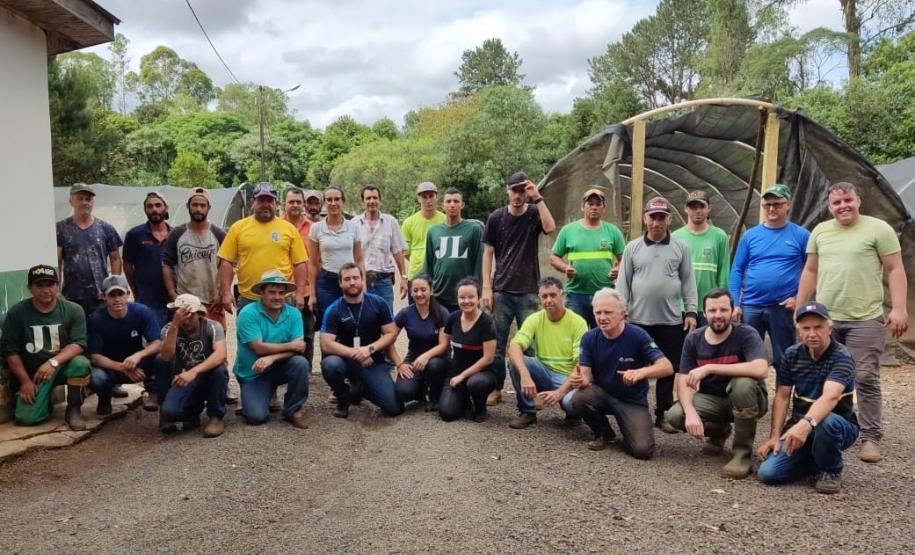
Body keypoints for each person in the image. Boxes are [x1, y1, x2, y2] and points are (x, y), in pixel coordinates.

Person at [797, 181, 908, 463]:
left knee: (865, 376)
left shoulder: (878, 229)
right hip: (826, 319)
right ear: (830, 206)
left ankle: (871, 436)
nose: (843, 206)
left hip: (865, 318)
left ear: (858, 201)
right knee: (823, 375)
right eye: (837, 203)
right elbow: (810, 270)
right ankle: (824, 424)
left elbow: (895, 269)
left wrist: (899, 308)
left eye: (848, 200)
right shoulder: (820, 232)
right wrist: (801, 307)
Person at [664, 289, 769, 479]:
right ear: (705, 313)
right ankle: (720, 431)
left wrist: (711, 367)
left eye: (723, 309)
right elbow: (684, 380)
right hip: (714, 400)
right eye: (712, 311)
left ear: (733, 311)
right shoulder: (694, 339)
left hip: (749, 400)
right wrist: (690, 413)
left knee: (743, 384)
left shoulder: (746, 333)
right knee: (675, 415)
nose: (718, 315)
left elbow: (761, 369)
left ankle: (742, 455)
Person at [757, 302, 859, 494]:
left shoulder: (843, 357)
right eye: (806, 328)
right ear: (799, 331)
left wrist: (805, 425)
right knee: (768, 474)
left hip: (838, 425)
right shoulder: (791, 354)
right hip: (799, 425)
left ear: (829, 328)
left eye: (818, 327)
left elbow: (831, 396)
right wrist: (774, 436)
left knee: (826, 422)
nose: (812, 333)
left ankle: (832, 470)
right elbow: (782, 396)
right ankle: (812, 460)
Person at [616, 196, 697, 433]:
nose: (657, 222)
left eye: (662, 217)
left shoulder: (681, 247)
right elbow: (623, 283)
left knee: (668, 369)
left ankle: (662, 414)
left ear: (669, 219)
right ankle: (633, 409)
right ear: (645, 218)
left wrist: (691, 311)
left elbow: (688, 282)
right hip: (638, 320)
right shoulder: (632, 248)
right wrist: (621, 313)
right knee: (634, 366)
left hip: (671, 320)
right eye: (653, 216)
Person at [570, 288, 673, 459]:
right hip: (602, 394)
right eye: (598, 312)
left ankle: (629, 427)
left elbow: (667, 366)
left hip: (631, 401)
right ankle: (604, 432)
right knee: (578, 399)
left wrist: (641, 372)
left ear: (623, 314)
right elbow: (586, 377)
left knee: (643, 451)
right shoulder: (589, 338)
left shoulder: (638, 335)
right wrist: (579, 380)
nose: (602, 318)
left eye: (608, 312)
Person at [482, 171, 556, 406]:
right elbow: (488, 254)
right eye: (514, 190)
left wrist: (538, 198)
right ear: (507, 190)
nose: (517, 195)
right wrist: (486, 287)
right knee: (497, 343)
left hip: (528, 291)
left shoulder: (534, 213)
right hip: (502, 290)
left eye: (522, 190)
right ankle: (496, 388)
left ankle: (530, 392)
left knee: (529, 345)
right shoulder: (496, 218)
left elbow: (550, 227)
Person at [729, 184, 809, 370]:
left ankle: (783, 397)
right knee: (749, 357)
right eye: (767, 204)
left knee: (785, 358)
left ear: (787, 204)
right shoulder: (750, 236)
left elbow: (813, 270)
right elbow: (737, 270)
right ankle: (753, 397)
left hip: (782, 307)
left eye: (777, 204)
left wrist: (798, 299)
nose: (772, 208)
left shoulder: (801, 235)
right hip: (751, 306)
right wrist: (735, 303)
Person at [0, 265, 90, 430]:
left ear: (57, 285)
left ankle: (74, 409)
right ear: (29, 288)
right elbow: (9, 350)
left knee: (81, 363)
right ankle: (44, 402)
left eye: (50, 284)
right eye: (39, 285)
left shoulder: (73, 310)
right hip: (35, 374)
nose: (46, 290)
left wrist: (53, 362)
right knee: (27, 418)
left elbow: (78, 344)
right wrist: (25, 381)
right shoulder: (17, 313)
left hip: (62, 368)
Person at [320, 263, 403, 418]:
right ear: (340, 283)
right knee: (330, 364)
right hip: (346, 361)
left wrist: (369, 349)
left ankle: (358, 389)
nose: (352, 282)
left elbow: (391, 333)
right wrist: (356, 353)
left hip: (373, 361)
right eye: (347, 279)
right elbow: (326, 344)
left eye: (356, 278)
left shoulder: (378, 303)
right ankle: (343, 395)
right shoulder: (334, 309)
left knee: (394, 408)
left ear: (362, 279)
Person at [507, 277, 587, 429]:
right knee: (515, 361)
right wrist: (524, 375)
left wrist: (559, 393)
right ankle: (527, 412)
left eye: (553, 295)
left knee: (572, 404)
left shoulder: (578, 322)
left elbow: (580, 365)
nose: (549, 300)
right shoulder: (535, 319)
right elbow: (514, 346)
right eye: (544, 296)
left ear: (562, 295)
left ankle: (573, 415)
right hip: (543, 371)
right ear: (539, 299)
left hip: (567, 376)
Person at [217, 182, 308, 315]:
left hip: (281, 297)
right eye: (261, 200)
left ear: (276, 203)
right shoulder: (238, 227)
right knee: (250, 336)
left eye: (269, 200)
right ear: (253, 202)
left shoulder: (289, 229)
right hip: (249, 299)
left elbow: (300, 263)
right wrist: (225, 293)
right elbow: (226, 261)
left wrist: (299, 293)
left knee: (281, 336)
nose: (265, 204)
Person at [234, 270, 310, 428]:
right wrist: (290, 346)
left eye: (282, 293)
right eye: (272, 292)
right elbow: (258, 348)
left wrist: (272, 358)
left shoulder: (294, 313)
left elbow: (300, 348)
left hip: (277, 366)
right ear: (261, 293)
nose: (278, 297)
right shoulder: (247, 313)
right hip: (253, 371)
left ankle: (293, 410)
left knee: (300, 363)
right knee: (256, 417)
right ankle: (255, 393)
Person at [549, 188, 626, 328]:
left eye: (598, 204)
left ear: (604, 208)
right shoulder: (568, 230)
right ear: (582, 206)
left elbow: (625, 259)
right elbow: (554, 257)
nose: (594, 207)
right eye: (590, 204)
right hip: (575, 295)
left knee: (603, 334)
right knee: (577, 335)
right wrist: (565, 267)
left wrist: (618, 269)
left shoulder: (613, 231)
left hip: (604, 295)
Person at [87, 275, 164, 414]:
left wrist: (139, 355)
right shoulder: (96, 319)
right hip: (111, 367)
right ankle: (104, 397)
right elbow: (95, 357)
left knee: (160, 358)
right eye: (112, 295)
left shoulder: (142, 311)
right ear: (104, 297)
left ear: (128, 294)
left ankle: (153, 392)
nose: (117, 299)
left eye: (120, 294)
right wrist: (123, 368)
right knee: (96, 377)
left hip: (138, 365)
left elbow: (157, 343)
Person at [157, 294, 229, 438]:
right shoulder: (169, 329)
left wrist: (194, 372)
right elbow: (166, 356)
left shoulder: (212, 326)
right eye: (182, 315)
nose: (186, 320)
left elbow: (221, 354)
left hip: (206, 375)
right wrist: (175, 325)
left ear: (199, 314)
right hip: (182, 379)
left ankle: (216, 416)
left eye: (190, 315)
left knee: (220, 370)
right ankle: (188, 414)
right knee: (159, 362)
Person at [162, 187, 227, 330]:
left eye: (202, 205)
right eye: (195, 205)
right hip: (186, 303)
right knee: (188, 344)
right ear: (188, 206)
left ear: (209, 207)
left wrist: (221, 294)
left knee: (216, 341)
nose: (198, 209)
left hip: (213, 303)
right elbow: (166, 265)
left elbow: (227, 265)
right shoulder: (177, 234)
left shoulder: (218, 234)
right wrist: (173, 294)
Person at [56, 182, 123, 317]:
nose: (84, 202)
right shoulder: (61, 228)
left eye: (88, 199)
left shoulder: (105, 228)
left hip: (100, 296)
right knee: (75, 335)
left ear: (93, 202)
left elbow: (115, 258)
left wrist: (113, 287)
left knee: (99, 333)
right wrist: (57, 291)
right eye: (79, 198)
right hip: (71, 296)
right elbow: (57, 261)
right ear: (71, 201)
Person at [388, 274, 451, 410]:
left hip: (438, 359)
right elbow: (388, 339)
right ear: (411, 292)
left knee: (434, 365)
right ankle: (420, 388)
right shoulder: (405, 313)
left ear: (431, 291)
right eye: (415, 290)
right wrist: (399, 364)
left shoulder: (442, 312)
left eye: (423, 289)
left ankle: (436, 396)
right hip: (414, 358)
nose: (419, 293)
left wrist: (426, 356)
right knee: (403, 393)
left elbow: (444, 345)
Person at [438, 278, 497, 422]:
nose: (466, 301)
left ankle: (480, 408)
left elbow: (488, 358)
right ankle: (464, 399)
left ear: (479, 298)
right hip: (456, 372)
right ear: (457, 299)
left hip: (481, 374)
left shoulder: (486, 322)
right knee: (447, 413)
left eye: (471, 297)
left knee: (476, 383)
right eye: (462, 297)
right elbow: (443, 345)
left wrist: (463, 376)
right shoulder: (453, 318)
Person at [306, 186, 364, 325]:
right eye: (329, 200)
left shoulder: (353, 227)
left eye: (337, 199)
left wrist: (363, 285)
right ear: (324, 203)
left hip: (349, 281)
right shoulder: (316, 228)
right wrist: (312, 294)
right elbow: (313, 263)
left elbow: (359, 259)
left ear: (343, 202)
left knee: (351, 322)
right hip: (327, 283)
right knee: (329, 322)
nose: (333, 203)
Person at [671, 190, 729, 326]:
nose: (697, 211)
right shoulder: (675, 237)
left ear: (709, 208)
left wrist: (722, 302)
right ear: (685, 209)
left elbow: (724, 272)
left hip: (709, 307)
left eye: (701, 207)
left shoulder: (719, 236)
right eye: (693, 207)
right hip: (681, 307)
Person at [423, 189, 484, 313]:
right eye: (448, 201)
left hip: (465, 296)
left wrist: (478, 292)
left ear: (462, 204)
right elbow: (428, 264)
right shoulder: (433, 231)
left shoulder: (474, 229)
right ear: (443, 205)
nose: (452, 204)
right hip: (439, 295)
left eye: (456, 201)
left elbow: (479, 264)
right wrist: (427, 289)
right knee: (440, 331)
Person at [354, 184, 408, 314]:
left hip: (384, 281)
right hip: (361, 280)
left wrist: (404, 277)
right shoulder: (354, 224)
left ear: (380, 200)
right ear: (362, 202)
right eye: (368, 198)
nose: (372, 201)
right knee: (363, 319)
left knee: (387, 320)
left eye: (375, 198)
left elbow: (397, 251)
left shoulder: (391, 222)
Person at [123, 191, 172, 328]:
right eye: (149, 206)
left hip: (173, 300)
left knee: (173, 343)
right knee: (152, 342)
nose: (154, 209)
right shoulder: (134, 235)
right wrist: (135, 290)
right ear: (145, 210)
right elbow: (127, 264)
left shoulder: (175, 234)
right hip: (147, 301)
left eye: (158, 205)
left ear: (165, 208)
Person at [283, 187, 317, 364]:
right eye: (291, 202)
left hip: (305, 290)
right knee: (282, 333)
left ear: (303, 204)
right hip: (280, 290)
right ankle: (284, 369)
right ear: (284, 204)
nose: (295, 205)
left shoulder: (314, 229)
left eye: (298, 202)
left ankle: (306, 369)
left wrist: (312, 292)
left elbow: (316, 261)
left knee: (307, 332)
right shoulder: (276, 225)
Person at [401, 181, 445, 285]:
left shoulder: (445, 220)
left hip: (440, 276)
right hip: (416, 276)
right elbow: (405, 252)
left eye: (431, 196)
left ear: (436, 197)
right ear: (419, 199)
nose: (428, 200)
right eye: (424, 197)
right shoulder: (409, 222)